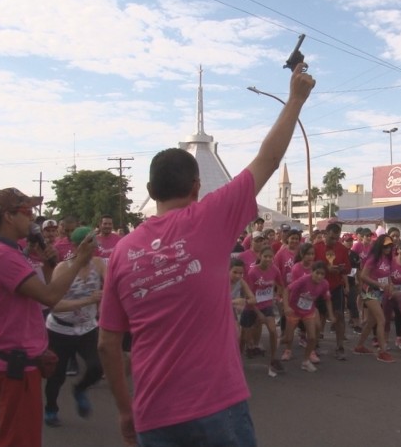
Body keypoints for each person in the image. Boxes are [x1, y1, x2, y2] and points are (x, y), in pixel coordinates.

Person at [97, 63, 314, 447]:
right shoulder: (211, 219)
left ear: (150, 188)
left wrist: (124, 409)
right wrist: (295, 99)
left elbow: (107, 343)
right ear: (197, 186)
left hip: (153, 413)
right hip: (217, 407)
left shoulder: (122, 252)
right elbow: (267, 160)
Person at [0, 188, 96, 447]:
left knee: (23, 437)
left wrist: (48, 264)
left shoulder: (6, 251)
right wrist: (79, 260)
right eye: (27, 213)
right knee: (19, 440)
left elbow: (38, 292)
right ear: (8, 217)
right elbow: (50, 297)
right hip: (16, 365)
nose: (32, 220)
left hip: (17, 361)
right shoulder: (3, 255)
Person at [43, 227, 106, 427]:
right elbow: (55, 304)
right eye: (89, 246)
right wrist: (88, 300)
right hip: (60, 329)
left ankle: (80, 389)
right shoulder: (63, 268)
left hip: (87, 328)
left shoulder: (99, 264)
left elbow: (112, 286)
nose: (93, 250)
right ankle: (51, 409)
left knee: (97, 367)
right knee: (56, 375)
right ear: (77, 247)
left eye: (94, 246)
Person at [279, 262, 335, 372]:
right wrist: (286, 307)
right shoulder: (304, 280)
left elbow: (327, 299)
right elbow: (287, 290)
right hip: (294, 310)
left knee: (312, 337)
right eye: (317, 273)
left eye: (322, 274)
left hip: (308, 311)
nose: (319, 276)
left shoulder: (324, 284)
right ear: (312, 272)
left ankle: (305, 361)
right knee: (288, 338)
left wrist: (331, 314)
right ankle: (277, 342)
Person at [245, 247, 287, 377]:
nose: (268, 259)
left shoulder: (274, 270)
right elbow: (249, 295)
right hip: (252, 306)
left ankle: (274, 359)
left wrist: (280, 296)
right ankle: (245, 353)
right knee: (245, 333)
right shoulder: (253, 272)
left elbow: (281, 285)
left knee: (273, 331)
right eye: (266, 256)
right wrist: (258, 313)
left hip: (267, 305)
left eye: (270, 257)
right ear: (260, 257)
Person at [355, 235, 396, 363]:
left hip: (380, 293)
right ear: (380, 246)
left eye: (390, 246)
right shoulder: (373, 258)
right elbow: (363, 276)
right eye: (385, 246)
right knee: (381, 320)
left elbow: (387, 275)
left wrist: (390, 285)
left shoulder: (387, 258)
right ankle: (382, 351)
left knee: (372, 322)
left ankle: (359, 346)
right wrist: (379, 285)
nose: (388, 248)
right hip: (369, 292)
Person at [313, 223, 350, 360]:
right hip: (319, 287)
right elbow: (311, 266)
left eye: (337, 238)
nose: (334, 241)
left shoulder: (342, 249)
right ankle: (315, 345)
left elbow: (347, 268)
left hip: (336, 287)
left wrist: (341, 269)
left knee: (339, 316)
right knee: (319, 318)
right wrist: (326, 269)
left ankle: (339, 347)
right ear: (326, 234)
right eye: (332, 238)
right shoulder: (317, 247)